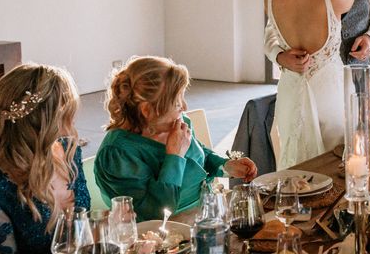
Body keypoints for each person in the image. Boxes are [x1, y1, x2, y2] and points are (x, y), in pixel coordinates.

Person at [94, 56, 257, 222]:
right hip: (164, 234)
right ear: (147, 110)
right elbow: (153, 214)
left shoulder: (178, 122)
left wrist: (225, 166)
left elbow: (200, 154)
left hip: (205, 215)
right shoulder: (117, 153)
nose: (185, 107)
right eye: (177, 103)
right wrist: (174, 156)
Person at [265, 0, 356, 168]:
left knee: (295, 164)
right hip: (329, 95)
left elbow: (271, 33)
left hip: (290, 94)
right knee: (333, 165)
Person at [0, 63, 90, 254]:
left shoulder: (69, 150)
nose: (73, 117)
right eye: (66, 108)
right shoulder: (1, 184)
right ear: (43, 119)